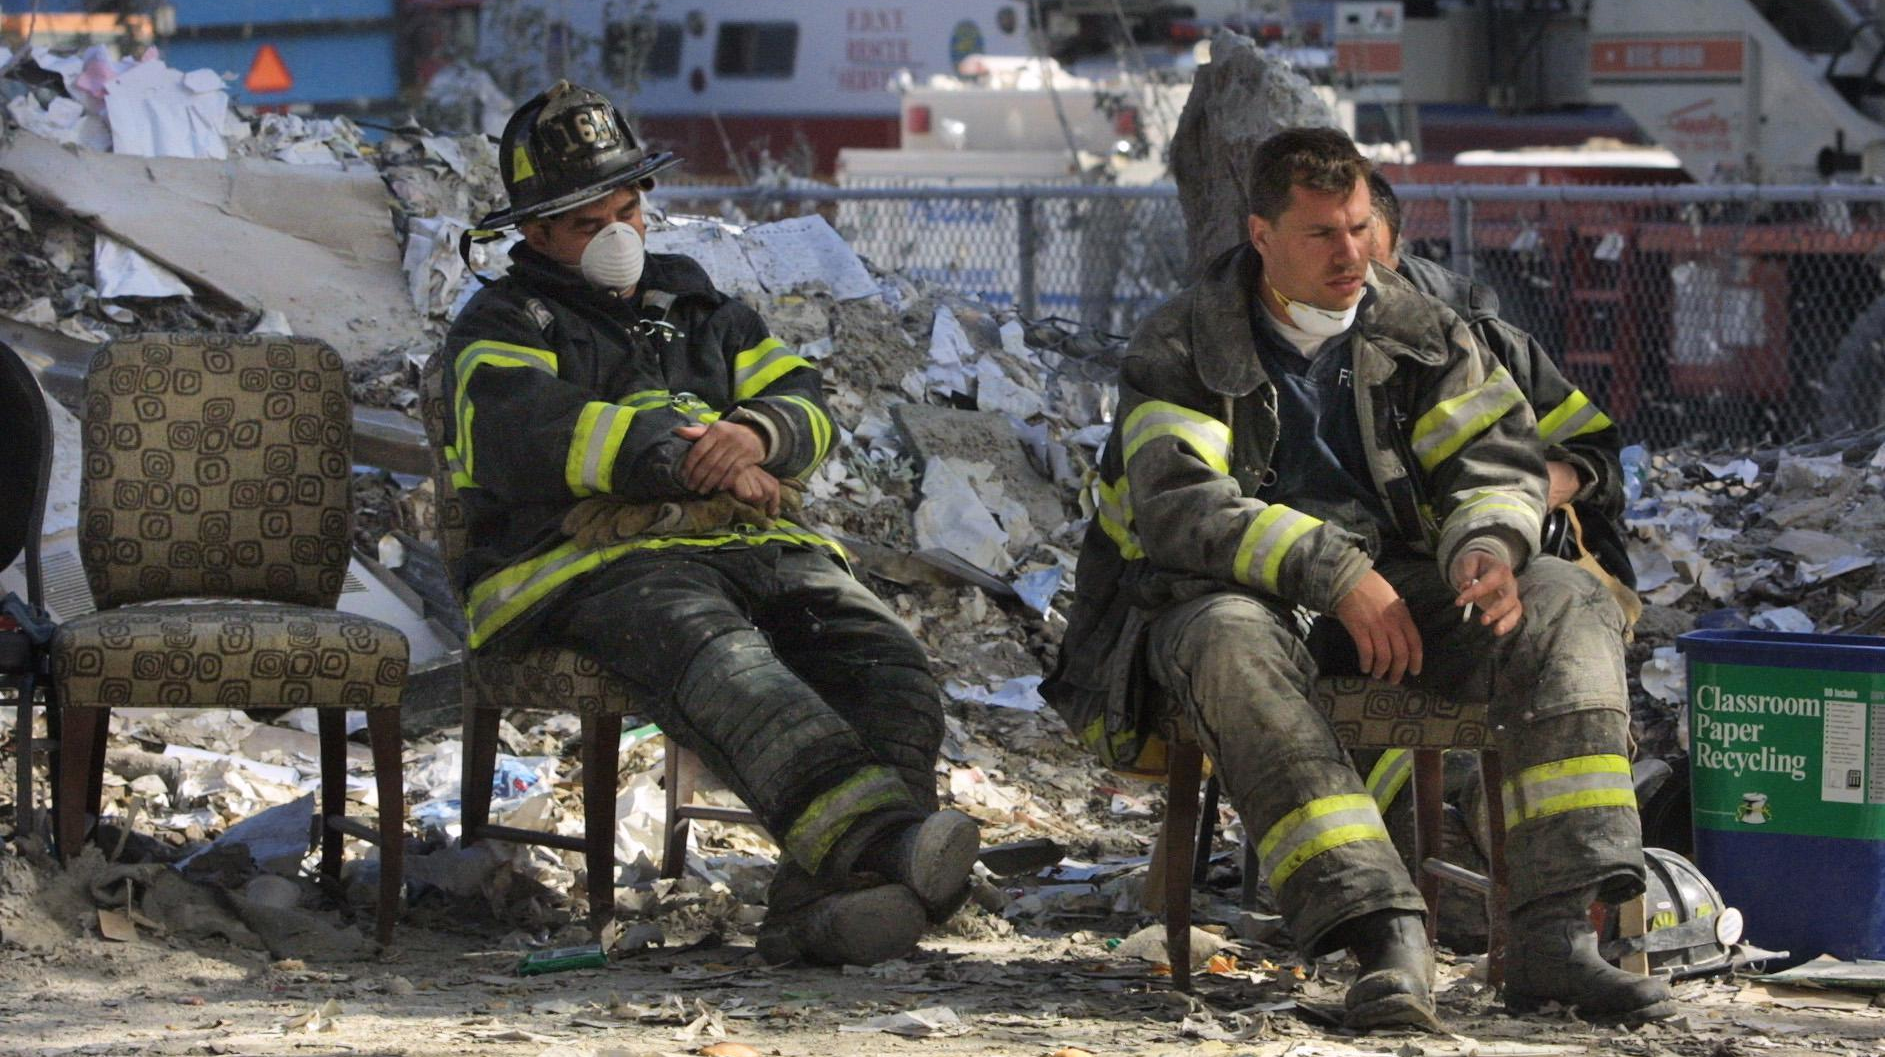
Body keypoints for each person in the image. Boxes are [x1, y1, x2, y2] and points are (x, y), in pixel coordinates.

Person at [1044, 127, 1673, 1027]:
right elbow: (1181, 507)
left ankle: (1554, 939)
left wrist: (1486, 548)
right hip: (1223, 601)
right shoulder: (1181, 342)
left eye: (1357, 226)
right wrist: (1333, 570)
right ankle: (1382, 941)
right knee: (1227, 642)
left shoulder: (1422, 329)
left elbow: (1494, 464)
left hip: (1395, 596)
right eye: (1321, 235)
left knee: (1566, 597)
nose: (1351, 254)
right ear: (1260, 235)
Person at [439, 82, 977, 967]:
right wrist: (685, 452)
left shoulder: (702, 309)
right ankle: (887, 847)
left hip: (749, 541)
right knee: (728, 665)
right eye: (587, 223)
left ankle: (821, 909)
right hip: (589, 566)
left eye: (627, 208)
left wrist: (754, 434)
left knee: (890, 662)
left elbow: (803, 402)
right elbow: (520, 432)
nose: (621, 235)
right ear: (534, 234)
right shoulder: (501, 324)